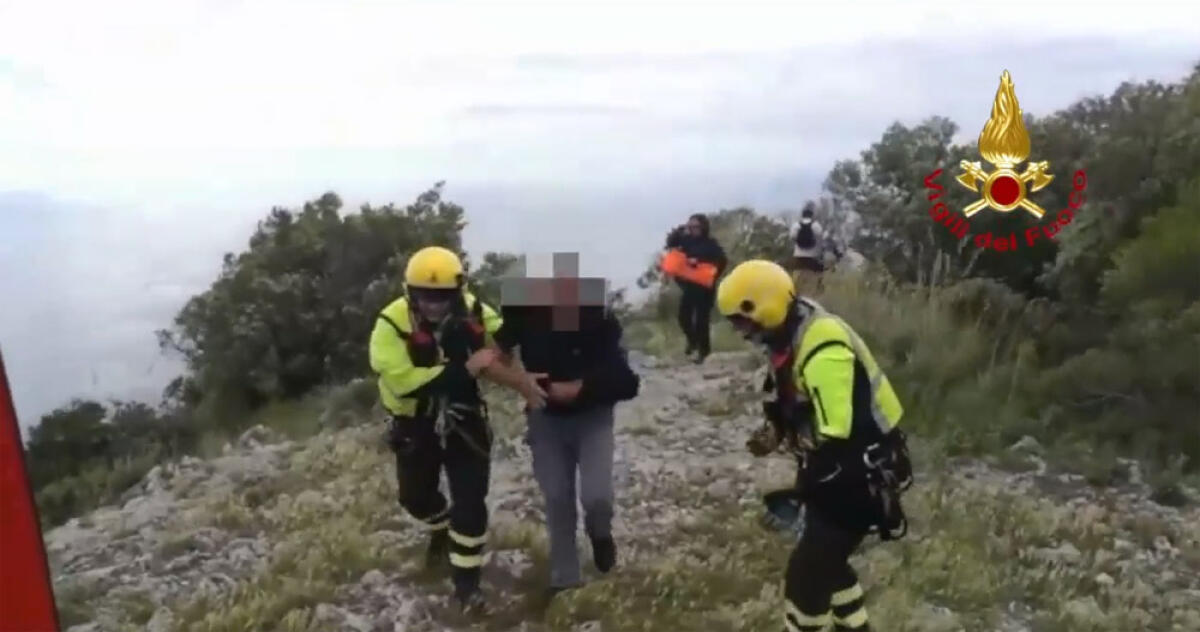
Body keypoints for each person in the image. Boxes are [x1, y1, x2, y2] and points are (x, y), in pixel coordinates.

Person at [715, 260, 914, 632]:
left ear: (764, 306)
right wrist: (776, 430)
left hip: (859, 475)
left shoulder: (823, 345)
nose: (741, 332)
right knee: (829, 565)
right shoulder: (791, 332)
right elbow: (794, 397)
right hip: (841, 470)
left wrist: (802, 490)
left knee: (806, 580)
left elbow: (837, 432)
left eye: (742, 321)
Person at [368, 246, 548, 613]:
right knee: (415, 498)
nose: (434, 304)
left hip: (465, 418)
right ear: (410, 292)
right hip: (415, 421)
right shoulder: (391, 323)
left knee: (471, 501)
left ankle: (467, 587)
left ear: (457, 292)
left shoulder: (473, 309)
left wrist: (522, 352)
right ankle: (440, 526)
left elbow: (502, 336)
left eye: (442, 296)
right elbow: (404, 383)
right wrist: (464, 369)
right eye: (425, 296)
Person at [492, 270, 640, 600]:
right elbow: (492, 354)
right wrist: (519, 379)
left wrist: (580, 388)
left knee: (597, 496)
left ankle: (600, 533)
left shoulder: (600, 323)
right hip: (545, 418)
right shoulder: (524, 317)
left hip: (593, 418)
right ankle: (565, 582)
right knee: (557, 498)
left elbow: (627, 382)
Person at [665, 213, 728, 363]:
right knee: (683, 317)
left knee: (702, 321)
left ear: (703, 227)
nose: (693, 229)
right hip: (689, 286)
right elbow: (671, 243)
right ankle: (693, 341)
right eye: (691, 226)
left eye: (696, 226)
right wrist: (680, 230)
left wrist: (703, 266)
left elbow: (722, 260)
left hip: (705, 288)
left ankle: (704, 352)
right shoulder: (686, 240)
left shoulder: (710, 244)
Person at [791, 203, 826, 294]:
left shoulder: (796, 225)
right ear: (812, 215)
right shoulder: (816, 226)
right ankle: (816, 290)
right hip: (813, 256)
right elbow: (820, 238)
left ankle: (795, 292)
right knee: (815, 277)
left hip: (798, 256)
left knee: (797, 278)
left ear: (802, 215)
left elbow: (793, 237)